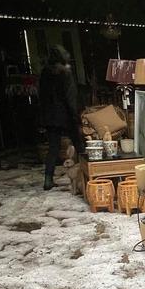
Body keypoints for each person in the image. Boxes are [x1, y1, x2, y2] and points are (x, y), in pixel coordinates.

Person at [39, 45, 82, 190]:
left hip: (50, 116)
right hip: (66, 115)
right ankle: (87, 174)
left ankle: (48, 179)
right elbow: (71, 98)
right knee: (79, 144)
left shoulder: (45, 73)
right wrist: (76, 116)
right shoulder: (66, 73)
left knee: (53, 148)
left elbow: (41, 96)